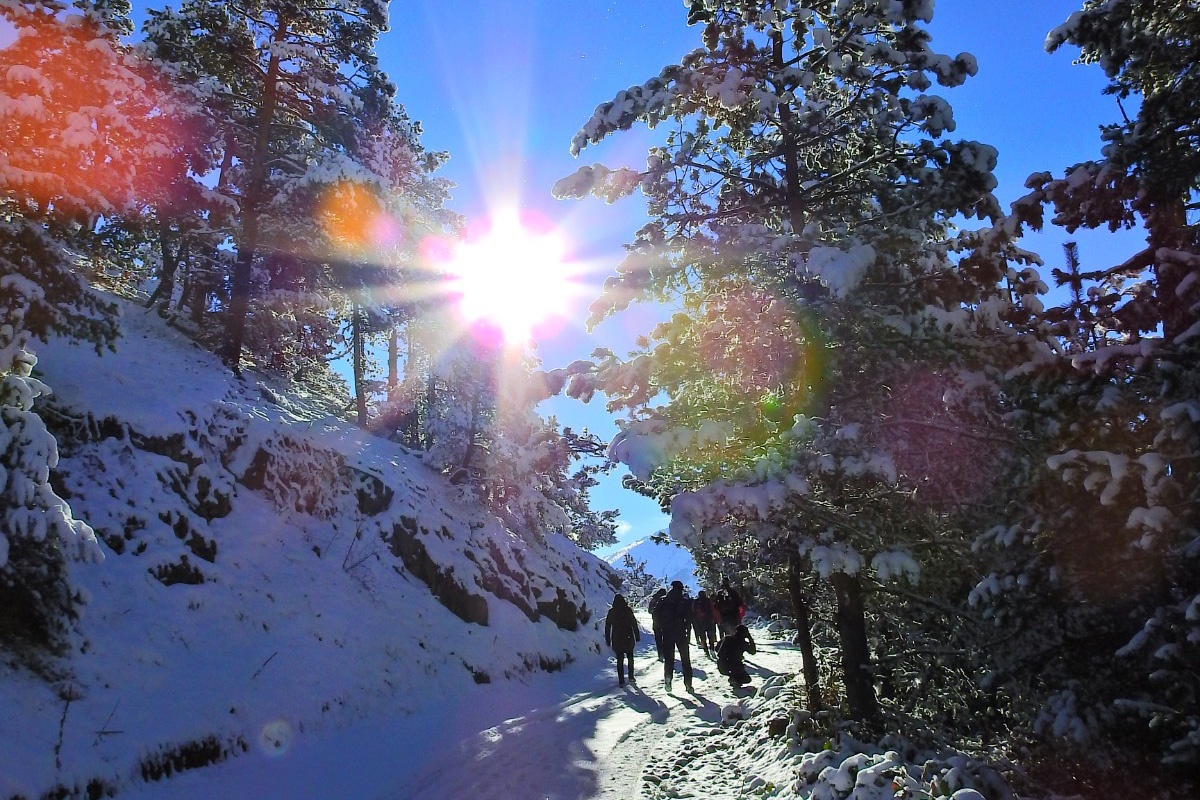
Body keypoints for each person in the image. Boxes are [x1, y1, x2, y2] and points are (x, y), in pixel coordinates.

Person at [654, 580, 694, 692]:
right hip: (681, 633)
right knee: (685, 659)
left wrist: (661, 630)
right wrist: (686, 626)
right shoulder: (683, 602)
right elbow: (690, 617)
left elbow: (656, 616)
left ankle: (668, 679)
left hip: (667, 633)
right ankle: (688, 684)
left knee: (669, 659)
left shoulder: (663, 601)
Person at [604, 593, 641, 687]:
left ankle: (621, 680)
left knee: (619, 660)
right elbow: (634, 623)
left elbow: (607, 627)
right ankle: (631, 676)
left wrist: (608, 640)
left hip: (617, 638)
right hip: (628, 637)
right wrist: (637, 636)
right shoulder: (627, 610)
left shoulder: (612, 612)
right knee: (630, 657)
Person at [716, 623, 756, 688]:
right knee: (747, 679)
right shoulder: (743, 643)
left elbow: (716, 649)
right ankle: (734, 679)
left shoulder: (727, 638)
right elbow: (753, 651)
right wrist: (750, 638)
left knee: (739, 668)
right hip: (733, 666)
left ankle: (733, 678)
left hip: (721, 665)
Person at [691, 589, 717, 658]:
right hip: (709, 621)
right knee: (710, 637)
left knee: (703, 637)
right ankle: (712, 649)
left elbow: (693, 612)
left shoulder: (696, 602)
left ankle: (706, 651)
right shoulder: (708, 600)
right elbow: (713, 610)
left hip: (700, 622)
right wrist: (713, 619)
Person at [647, 588, 668, 662]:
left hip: (656, 622)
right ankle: (666, 654)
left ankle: (660, 654)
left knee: (658, 639)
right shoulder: (666, 600)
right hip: (665, 623)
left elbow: (649, 611)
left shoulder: (654, 599)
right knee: (666, 639)